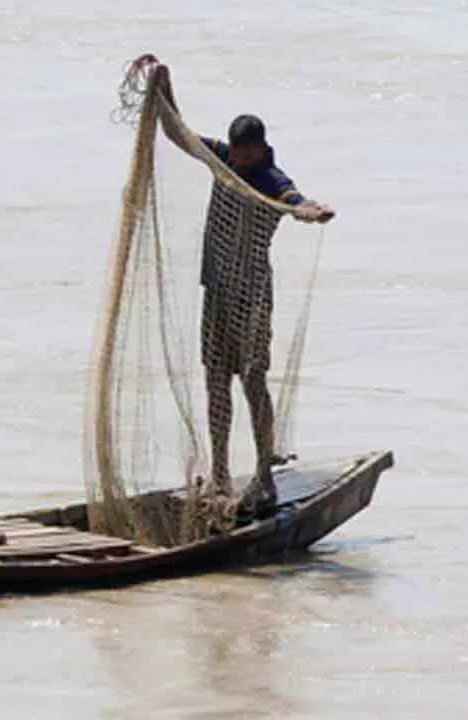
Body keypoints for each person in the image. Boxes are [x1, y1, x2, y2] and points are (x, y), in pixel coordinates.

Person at [152, 62, 334, 508]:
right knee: (215, 380)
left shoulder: (272, 180)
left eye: (245, 156)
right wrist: (163, 90)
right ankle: (217, 473)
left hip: (252, 296)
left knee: (253, 380)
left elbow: (297, 202)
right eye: (234, 154)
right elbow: (180, 136)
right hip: (216, 291)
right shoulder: (223, 159)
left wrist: (312, 211)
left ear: (261, 149)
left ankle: (264, 474)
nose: (237, 161)